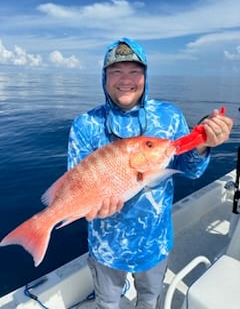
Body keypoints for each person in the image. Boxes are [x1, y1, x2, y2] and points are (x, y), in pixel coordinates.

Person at [67, 37, 233, 309]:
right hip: (106, 247)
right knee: (107, 303)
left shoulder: (169, 115)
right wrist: (94, 208)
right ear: (104, 77)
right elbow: (78, 186)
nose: (126, 79)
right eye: (116, 71)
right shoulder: (85, 125)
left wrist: (202, 141)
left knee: (148, 300)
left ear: (145, 75)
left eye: (135, 71)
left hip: (155, 243)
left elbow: (188, 168)